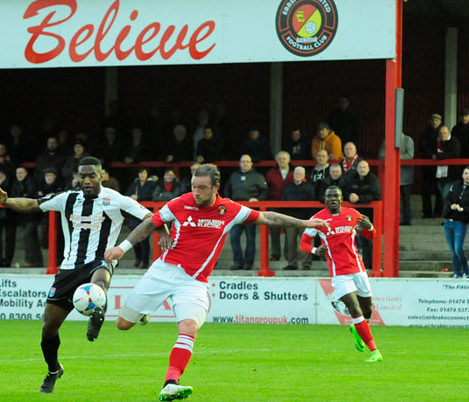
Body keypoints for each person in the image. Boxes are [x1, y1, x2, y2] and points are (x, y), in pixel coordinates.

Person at [103, 164, 329, 401]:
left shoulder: (229, 209)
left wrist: (303, 223)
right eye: (194, 186)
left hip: (193, 282)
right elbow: (151, 223)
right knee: (122, 324)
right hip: (162, 272)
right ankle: (143, 314)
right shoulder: (180, 202)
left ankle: (171, 382)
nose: (196, 192)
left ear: (215, 188)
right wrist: (122, 248)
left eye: (202, 188)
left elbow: (267, 217)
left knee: (189, 328)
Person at [0, 157, 157, 394]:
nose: (86, 180)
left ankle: (97, 312)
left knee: (99, 280)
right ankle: (53, 370)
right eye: (82, 176)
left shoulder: (116, 199)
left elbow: (150, 218)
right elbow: (32, 204)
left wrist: (160, 232)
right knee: (48, 328)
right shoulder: (67, 198)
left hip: (100, 260)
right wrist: (6, 201)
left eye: (91, 175)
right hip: (69, 269)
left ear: (101, 175)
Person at [300, 186, 382, 362]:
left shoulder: (352, 214)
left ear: (341, 198)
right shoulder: (317, 219)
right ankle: (375, 351)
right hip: (339, 273)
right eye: (329, 196)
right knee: (354, 308)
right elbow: (303, 243)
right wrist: (315, 250)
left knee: (367, 310)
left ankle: (357, 328)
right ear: (325, 199)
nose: (333, 199)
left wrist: (370, 227)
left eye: (336, 196)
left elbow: (372, 236)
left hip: (358, 269)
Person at [223, 154, 268, 270]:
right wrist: (229, 201)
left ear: (251, 163)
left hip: (250, 211)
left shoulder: (258, 176)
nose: (245, 164)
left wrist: (258, 200)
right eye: (243, 161)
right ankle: (237, 262)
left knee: (250, 237)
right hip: (236, 211)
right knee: (234, 237)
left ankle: (248, 262)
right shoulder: (234, 176)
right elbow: (227, 189)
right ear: (239, 163)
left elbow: (264, 191)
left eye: (247, 161)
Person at [442, 166, 469, 278]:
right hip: (448, 220)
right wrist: (451, 205)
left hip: (460, 221)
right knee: (452, 250)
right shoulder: (455, 185)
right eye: (465, 173)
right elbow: (447, 198)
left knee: (458, 248)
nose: (467, 176)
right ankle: (457, 272)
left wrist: (462, 209)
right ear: (462, 175)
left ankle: (466, 271)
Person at [280, 166, 316, 270]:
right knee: (290, 243)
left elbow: (312, 204)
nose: (298, 175)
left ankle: (306, 264)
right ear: (293, 175)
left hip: (305, 220)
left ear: (304, 175)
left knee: (306, 241)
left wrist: (309, 220)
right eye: (296, 173)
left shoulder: (309, 188)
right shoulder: (287, 188)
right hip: (290, 219)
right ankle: (292, 263)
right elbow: (282, 202)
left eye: (300, 173)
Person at [379, 132, 415, 225]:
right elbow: (381, 155)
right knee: (392, 199)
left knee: (406, 198)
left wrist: (393, 157)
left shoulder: (408, 140)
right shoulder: (386, 141)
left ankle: (407, 219)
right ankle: (393, 219)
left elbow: (410, 155)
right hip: (391, 176)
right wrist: (394, 157)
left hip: (405, 175)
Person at [10, 166, 42, 268]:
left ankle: (30, 260)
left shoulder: (31, 182)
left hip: (33, 215)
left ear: (26, 173)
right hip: (23, 216)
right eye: (17, 173)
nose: (19, 175)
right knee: (32, 237)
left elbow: (29, 197)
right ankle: (37, 261)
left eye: (21, 173)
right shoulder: (15, 183)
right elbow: (13, 197)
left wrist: (21, 197)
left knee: (27, 235)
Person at [265, 151, 294, 261]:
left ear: (289, 160)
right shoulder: (271, 172)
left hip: (289, 207)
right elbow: (266, 188)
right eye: (280, 159)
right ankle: (275, 254)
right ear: (276, 160)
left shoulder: (294, 172)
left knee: (289, 232)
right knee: (274, 231)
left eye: (284, 158)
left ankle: (288, 254)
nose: (282, 161)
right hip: (274, 205)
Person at [125, 166, 156, 269]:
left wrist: (139, 197)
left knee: (144, 239)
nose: (142, 175)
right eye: (140, 173)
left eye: (144, 173)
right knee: (134, 239)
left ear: (147, 175)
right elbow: (127, 195)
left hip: (145, 214)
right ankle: (138, 259)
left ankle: (145, 261)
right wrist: (131, 197)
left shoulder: (151, 184)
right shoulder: (135, 184)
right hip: (134, 215)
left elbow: (152, 196)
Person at [419, 113, 443, 218]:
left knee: (439, 190)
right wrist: (430, 155)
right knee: (426, 190)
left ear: (440, 122)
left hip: (440, 166)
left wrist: (437, 156)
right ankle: (427, 212)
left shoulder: (442, 132)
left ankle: (438, 212)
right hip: (427, 166)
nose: (434, 122)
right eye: (433, 120)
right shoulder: (425, 133)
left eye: (437, 120)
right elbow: (422, 146)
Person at [432, 125, 460, 201]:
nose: (442, 135)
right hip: (439, 175)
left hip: (452, 175)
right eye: (440, 133)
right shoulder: (436, 142)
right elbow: (431, 153)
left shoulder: (454, 141)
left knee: (446, 196)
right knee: (443, 196)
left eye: (444, 133)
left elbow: (454, 154)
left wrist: (438, 156)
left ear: (448, 133)